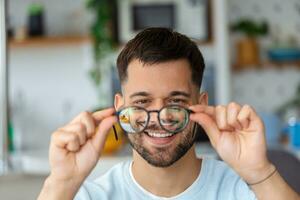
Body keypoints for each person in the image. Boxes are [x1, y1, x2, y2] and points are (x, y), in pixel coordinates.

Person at [38, 28, 300, 200]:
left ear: (201, 104)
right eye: (142, 101)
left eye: (175, 101)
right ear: (119, 107)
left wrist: (259, 172)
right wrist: (61, 183)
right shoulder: (87, 195)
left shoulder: (242, 190)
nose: (159, 118)